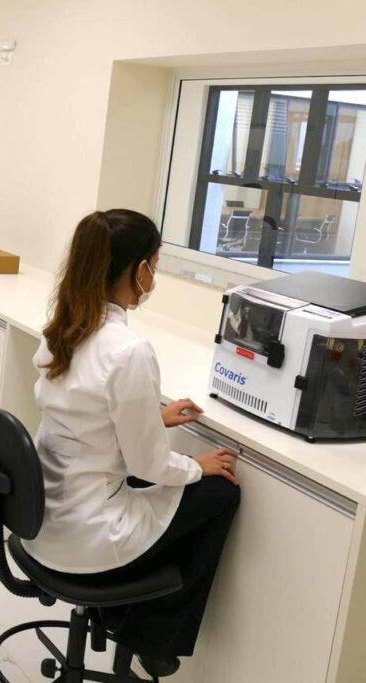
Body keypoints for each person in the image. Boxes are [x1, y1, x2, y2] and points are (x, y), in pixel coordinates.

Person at [24, 209, 241, 677]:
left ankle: (126, 617)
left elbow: (84, 419)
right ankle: (153, 637)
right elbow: (148, 465)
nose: (153, 279)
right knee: (219, 492)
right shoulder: (129, 350)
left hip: (41, 524)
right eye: (155, 267)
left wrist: (150, 418)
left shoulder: (62, 329)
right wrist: (197, 465)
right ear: (139, 269)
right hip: (87, 538)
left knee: (165, 487)